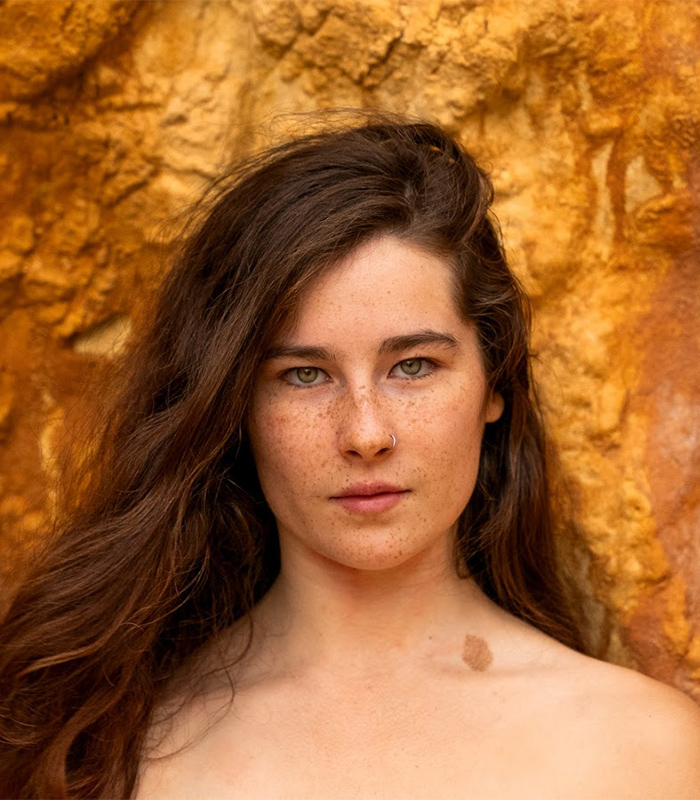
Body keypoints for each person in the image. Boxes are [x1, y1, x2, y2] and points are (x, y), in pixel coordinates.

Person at [1, 115, 699, 799]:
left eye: (414, 366)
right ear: (234, 406)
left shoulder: (647, 755)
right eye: (304, 375)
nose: (365, 433)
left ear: (495, 384)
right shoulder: (105, 754)